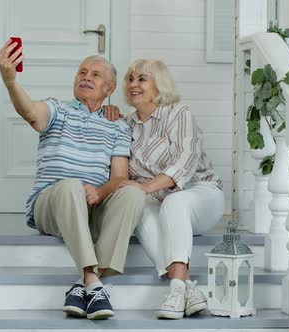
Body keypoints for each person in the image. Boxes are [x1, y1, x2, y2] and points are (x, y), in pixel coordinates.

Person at [0, 40, 145, 320]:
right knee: (69, 186)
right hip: (51, 206)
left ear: (109, 89)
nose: (86, 77)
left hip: (91, 207)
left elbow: (120, 177)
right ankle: (91, 278)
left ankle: (82, 288)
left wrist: (100, 193)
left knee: (133, 193)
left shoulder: (118, 125)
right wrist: (10, 81)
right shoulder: (57, 110)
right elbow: (30, 112)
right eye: (82, 72)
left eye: (95, 75)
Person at [105, 59, 224, 319]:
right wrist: (108, 112)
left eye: (142, 79)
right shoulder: (126, 125)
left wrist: (144, 186)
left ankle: (177, 287)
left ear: (160, 85)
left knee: (174, 201)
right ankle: (185, 288)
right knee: (138, 206)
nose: (133, 84)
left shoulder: (179, 113)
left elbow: (184, 162)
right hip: (157, 201)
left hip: (201, 194)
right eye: (130, 79)